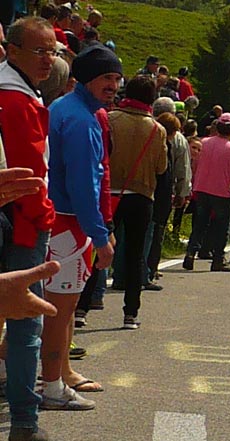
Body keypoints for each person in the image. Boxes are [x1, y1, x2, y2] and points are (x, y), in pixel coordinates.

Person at [46, 44, 121, 413]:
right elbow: (84, 183)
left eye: (117, 78)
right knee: (62, 305)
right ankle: (53, 383)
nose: (113, 85)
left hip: (60, 218)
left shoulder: (68, 108)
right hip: (68, 222)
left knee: (61, 303)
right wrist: (100, 233)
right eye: (106, 77)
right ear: (87, 78)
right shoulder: (80, 119)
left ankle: (62, 370)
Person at [0, 17, 61, 441]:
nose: (48, 59)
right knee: (27, 321)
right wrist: (45, 217)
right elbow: (29, 175)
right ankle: (24, 418)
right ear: (12, 50)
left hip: (16, 217)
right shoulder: (17, 99)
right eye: (39, 50)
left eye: (53, 51)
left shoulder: (22, 91)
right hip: (23, 223)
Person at [107, 74, 168, 329]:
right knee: (134, 255)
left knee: (98, 250)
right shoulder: (157, 129)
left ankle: (82, 308)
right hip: (141, 196)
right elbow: (161, 166)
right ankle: (130, 313)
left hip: (109, 192)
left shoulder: (110, 119)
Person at [182, 112, 230, 272]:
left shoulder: (204, 143)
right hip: (221, 191)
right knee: (221, 227)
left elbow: (194, 165)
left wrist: (194, 183)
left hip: (201, 188)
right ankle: (218, 259)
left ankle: (190, 253)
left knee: (200, 223)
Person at [146, 109, 187, 289]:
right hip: (160, 193)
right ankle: (149, 270)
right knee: (156, 233)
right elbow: (182, 170)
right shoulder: (173, 143)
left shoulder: (146, 135)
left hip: (140, 190)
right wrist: (181, 193)